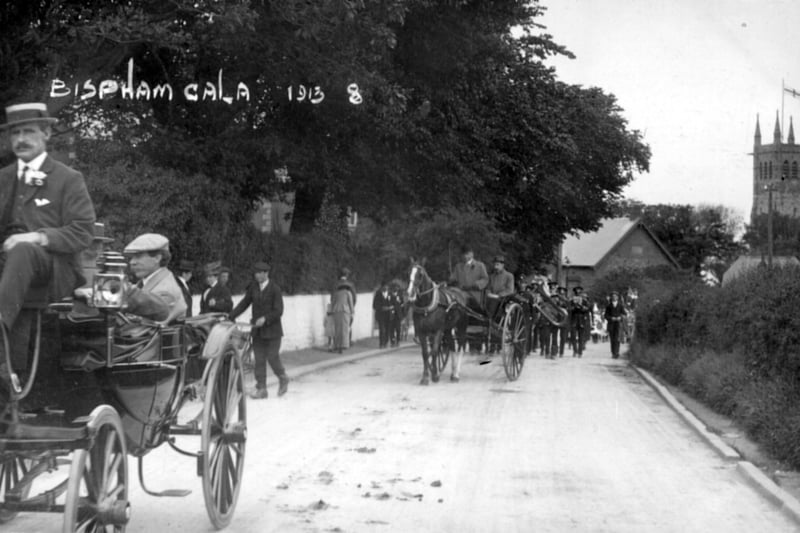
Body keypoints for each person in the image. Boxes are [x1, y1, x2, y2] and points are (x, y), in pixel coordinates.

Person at [0, 102, 96, 386]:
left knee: (23, 250)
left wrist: (37, 236)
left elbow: (82, 232)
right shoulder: (2, 178)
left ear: (46, 134)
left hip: (54, 267)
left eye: (28, 131)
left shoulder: (68, 178)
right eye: (14, 133)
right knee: (16, 255)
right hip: (9, 268)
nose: (20, 140)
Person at [229, 261, 288, 399]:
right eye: (255, 273)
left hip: (273, 331)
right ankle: (262, 389)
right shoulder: (253, 288)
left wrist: (266, 319)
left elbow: (279, 310)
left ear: (265, 273)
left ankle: (282, 377)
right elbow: (244, 303)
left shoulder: (275, 289)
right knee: (259, 359)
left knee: (272, 357)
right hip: (258, 331)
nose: (256, 276)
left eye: (258, 273)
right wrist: (231, 315)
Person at [123, 233, 188, 323]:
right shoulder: (146, 283)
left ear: (157, 258)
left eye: (138, 256)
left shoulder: (166, 290)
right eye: (132, 257)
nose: (132, 262)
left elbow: (145, 331)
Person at [449, 246, 488, 311]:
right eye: (463, 254)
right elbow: (453, 278)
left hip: (474, 295)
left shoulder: (480, 265)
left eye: (467, 254)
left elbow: (485, 279)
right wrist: (450, 281)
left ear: (472, 254)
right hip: (460, 292)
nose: (464, 256)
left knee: (457, 298)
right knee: (450, 295)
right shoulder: (458, 266)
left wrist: (477, 284)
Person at [330, 279, 354, 353]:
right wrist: (352, 312)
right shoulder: (348, 293)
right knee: (344, 329)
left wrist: (331, 311)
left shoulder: (336, 293)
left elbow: (332, 302)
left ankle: (337, 345)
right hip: (345, 312)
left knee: (337, 329)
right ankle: (343, 346)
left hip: (336, 312)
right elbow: (351, 303)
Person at [569, 286, 591, 357]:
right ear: (574, 292)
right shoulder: (571, 300)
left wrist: (582, 307)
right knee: (573, 336)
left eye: (579, 291)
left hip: (581, 319)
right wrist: (573, 308)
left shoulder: (584, 301)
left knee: (581, 337)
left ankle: (580, 351)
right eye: (576, 291)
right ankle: (575, 350)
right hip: (574, 319)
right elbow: (569, 309)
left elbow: (587, 309)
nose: (578, 292)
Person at [605, 291, 628, 359]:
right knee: (612, 339)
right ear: (611, 298)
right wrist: (611, 318)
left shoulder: (620, 305)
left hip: (618, 324)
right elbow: (606, 315)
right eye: (613, 296)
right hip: (611, 324)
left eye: (615, 296)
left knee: (617, 339)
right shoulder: (608, 306)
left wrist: (620, 317)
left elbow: (625, 314)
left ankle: (617, 352)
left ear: (617, 297)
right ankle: (613, 352)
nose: (614, 297)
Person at [372, 283, 394, 348]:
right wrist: (381, 308)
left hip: (388, 314)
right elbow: (374, 305)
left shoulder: (390, 294)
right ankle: (381, 343)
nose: (386, 288)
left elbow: (394, 303)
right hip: (381, 315)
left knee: (387, 329)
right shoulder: (378, 294)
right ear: (382, 287)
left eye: (387, 287)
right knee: (382, 329)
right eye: (384, 287)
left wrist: (391, 307)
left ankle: (386, 342)